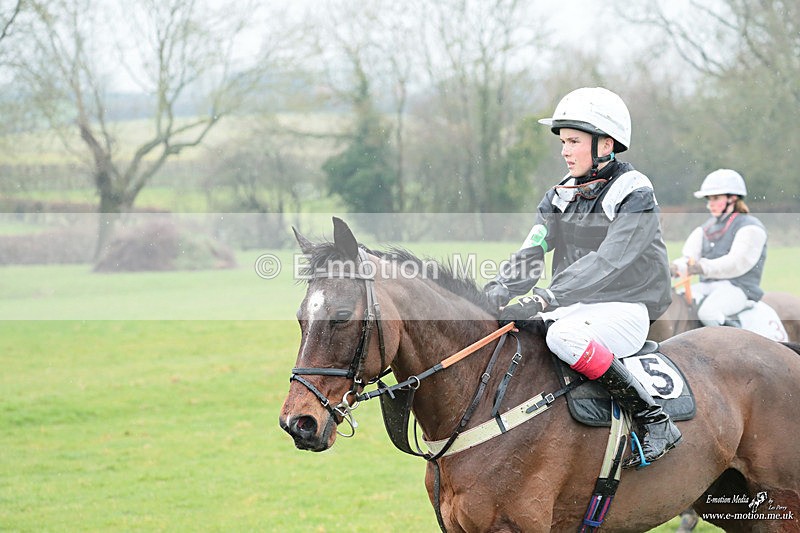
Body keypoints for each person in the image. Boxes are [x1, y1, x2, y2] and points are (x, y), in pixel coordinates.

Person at [484, 86, 680, 468]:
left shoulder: (634, 191)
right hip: (576, 305)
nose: (564, 150)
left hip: (626, 309)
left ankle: (655, 420)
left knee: (561, 335)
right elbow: (533, 249)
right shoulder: (559, 195)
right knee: (513, 330)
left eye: (574, 141)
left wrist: (546, 298)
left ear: (605, 145)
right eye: (563, 141)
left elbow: (609, 261)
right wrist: (497, 289)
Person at [670, 169, 767, 328]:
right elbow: (689, 259)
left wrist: (700, 267)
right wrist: (674, 267)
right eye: (709, 199)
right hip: (708, 286)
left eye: (716, 198)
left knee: (708, 313)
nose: (710, 204)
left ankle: (737, 345)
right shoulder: (704, 229)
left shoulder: (751, 228)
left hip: (740, 289)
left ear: (733, 198)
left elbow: (735, 263)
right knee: (676, 302)